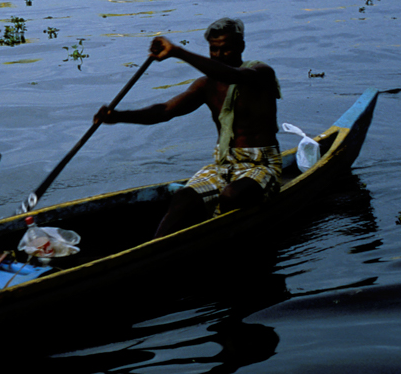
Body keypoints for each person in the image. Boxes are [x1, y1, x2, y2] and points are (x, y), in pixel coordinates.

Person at [94, 18, 281, 236]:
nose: (219, 55)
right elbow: (164, 111)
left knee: (231, 196)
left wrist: (178, 52)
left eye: (226, 49)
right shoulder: (206, 85)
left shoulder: (260, 74)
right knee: (182, 199)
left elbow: (233, 76)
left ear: (241, 47)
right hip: (224, 164)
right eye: (214, 50)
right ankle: (155, 249)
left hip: (261, 165)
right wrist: (117, 116)